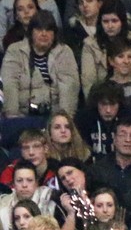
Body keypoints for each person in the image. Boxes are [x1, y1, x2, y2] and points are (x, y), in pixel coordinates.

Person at [1, 10, 80, 148]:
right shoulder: (15, 50)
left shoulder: (65, 51)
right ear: (31, 32)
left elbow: (69, 88)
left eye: (48, 30)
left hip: (53, 117)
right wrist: (13, 117)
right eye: (39, 29)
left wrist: (62, 122)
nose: (44, 34)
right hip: (21, 118)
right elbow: (9, 85)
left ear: (54, 33)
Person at [81, 0, 131, 99]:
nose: (110, 25)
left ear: (122, 21)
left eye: (114, 21)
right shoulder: (90, 44)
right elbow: (88, 83)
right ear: (100, 23)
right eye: (105, 21)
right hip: (102, 99)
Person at [75, 79, 124, 159]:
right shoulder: (83, 119)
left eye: (112, 104)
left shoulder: (127, 116)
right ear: (96, 103)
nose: (108, 110)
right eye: (103, 104)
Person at [63, 0, 103, 64]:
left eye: (89, 1)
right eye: (81, 3)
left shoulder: (108, 28)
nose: (85, 5)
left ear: (99, 3)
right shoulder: (72, 31)